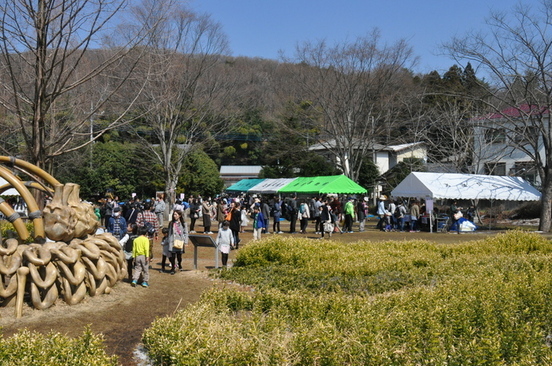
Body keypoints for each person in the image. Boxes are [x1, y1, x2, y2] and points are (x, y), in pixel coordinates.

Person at [168, 210, 188, 274]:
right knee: (173, 255)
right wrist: (169, 241)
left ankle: (179, 264)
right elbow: (169, 233)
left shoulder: (183, 223)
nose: (175, 216)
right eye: (174, 214)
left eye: (176, 214)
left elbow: (186, 233)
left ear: (179, 215)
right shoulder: (171, 223)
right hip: (173, 241)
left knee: (179, 255)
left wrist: (186, 242)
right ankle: (173, 268)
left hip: (180, 241)